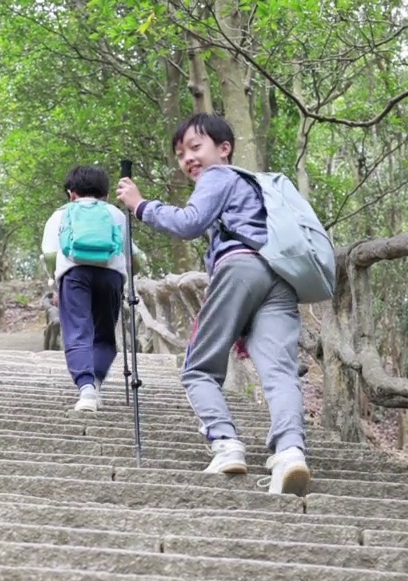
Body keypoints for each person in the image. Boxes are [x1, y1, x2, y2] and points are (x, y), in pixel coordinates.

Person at [114, 113, 311, 496]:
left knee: (198, 369)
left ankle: (225, 444)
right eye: (180, 153)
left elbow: (189, 221)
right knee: (279, 372)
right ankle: (290, 452)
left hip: (241, 268)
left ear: (224, 149)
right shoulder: (256, 188)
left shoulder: (219, 176)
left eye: (195, 146)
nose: (187, 158)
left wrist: (140, 205)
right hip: (281, 275)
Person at [41, 165, 140, 412]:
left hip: (74, 275)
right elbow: (135, 257)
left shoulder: (60, 215)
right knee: (104, 334)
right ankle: (95, 382)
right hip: (111, 277)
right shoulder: (116, 214)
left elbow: (50, 254)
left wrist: (54, 283)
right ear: (105, 194)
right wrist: (129, 277)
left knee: (77, 330)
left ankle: (86, 390)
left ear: (71, 193)